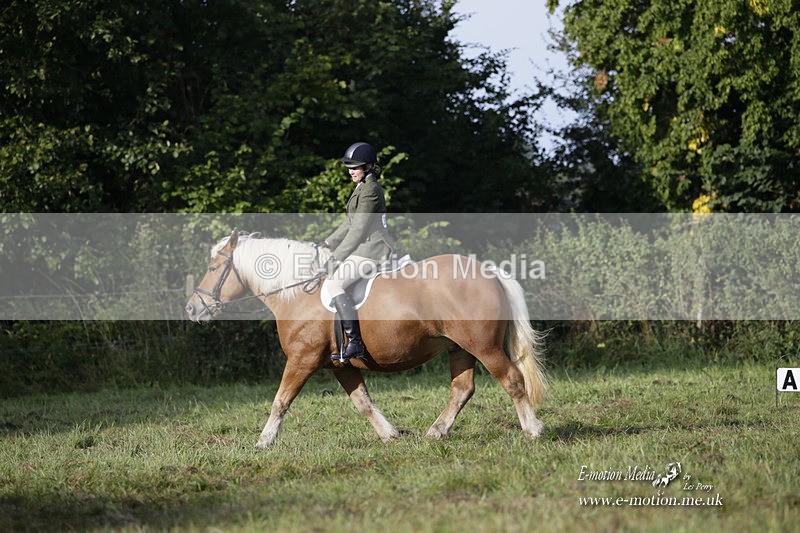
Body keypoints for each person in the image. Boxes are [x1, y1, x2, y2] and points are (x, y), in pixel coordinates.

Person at [319, 142, 393, 364]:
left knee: (333, 284)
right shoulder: (361, 186)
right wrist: (326, 242)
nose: (350, 170)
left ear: (368, 167)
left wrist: (336, 257)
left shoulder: (370, 190)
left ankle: (355, 343)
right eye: (349, 166)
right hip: (363, 247)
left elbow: (359, 230)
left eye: (355, 166)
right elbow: (349, 223)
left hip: (372, 249)